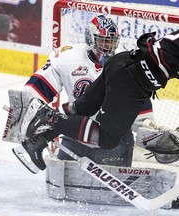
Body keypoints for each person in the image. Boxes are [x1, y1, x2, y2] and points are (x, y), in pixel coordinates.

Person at [21, 9, 179, 171]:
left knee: (84, 107)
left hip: (123, 65)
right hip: (132, 80)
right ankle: (49, 119)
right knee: (107, 139)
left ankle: (38, 137)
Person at [20, 15, 154, 168]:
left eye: (111, 41)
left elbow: (139, 105)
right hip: (75, 135)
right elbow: (37, 88)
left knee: (112, 191)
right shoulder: (68, 58)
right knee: (63, 184)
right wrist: (26, 112)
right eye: (103, 40)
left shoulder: (126, 63)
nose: (108, 46)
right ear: (91, 39)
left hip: (115, 140)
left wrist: (148, 130)